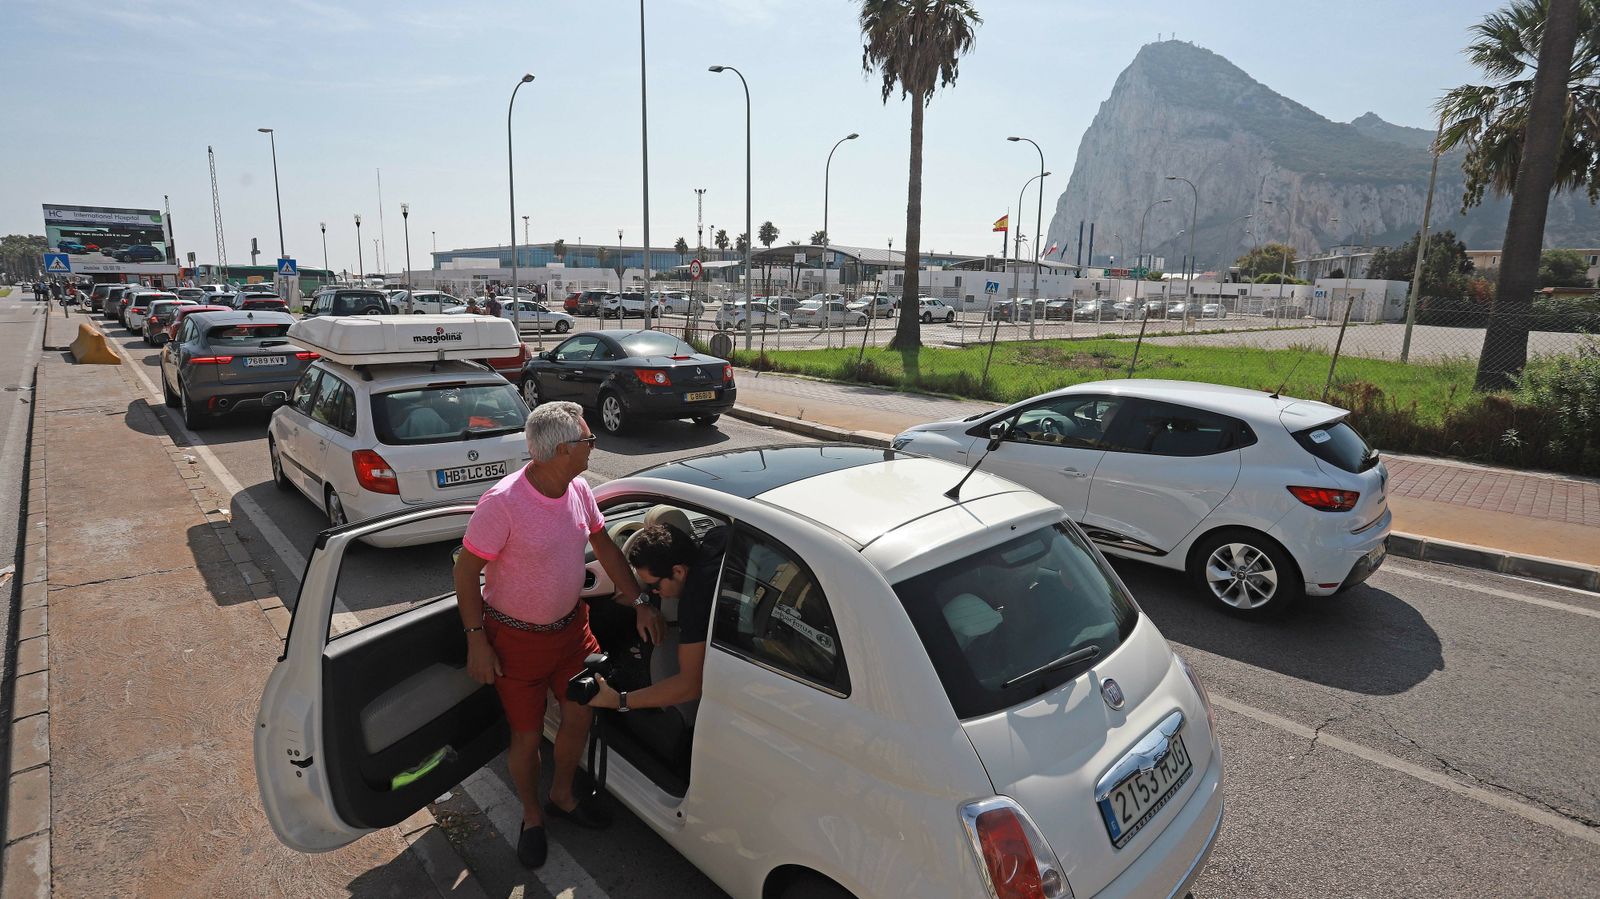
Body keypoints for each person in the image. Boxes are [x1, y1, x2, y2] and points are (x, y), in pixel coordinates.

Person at [452, 402, 662, 869]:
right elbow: (466, 574)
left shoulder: (579, 488)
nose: (594, 447)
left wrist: (641, 601)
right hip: (516, 644)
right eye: (587, 441)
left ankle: (562, 795)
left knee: (580, 713)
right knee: (526, 739)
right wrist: (475, 640)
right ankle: (531, 816)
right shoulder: (502, 504)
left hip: (572, 632)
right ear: (561, 450)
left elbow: (604, 546)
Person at [584, 521, 725, 719]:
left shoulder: (695, 604)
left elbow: (690, 685)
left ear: (678, 571)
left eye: (654, 586)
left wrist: (619, 700)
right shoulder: (717, 538)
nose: (653, 592)